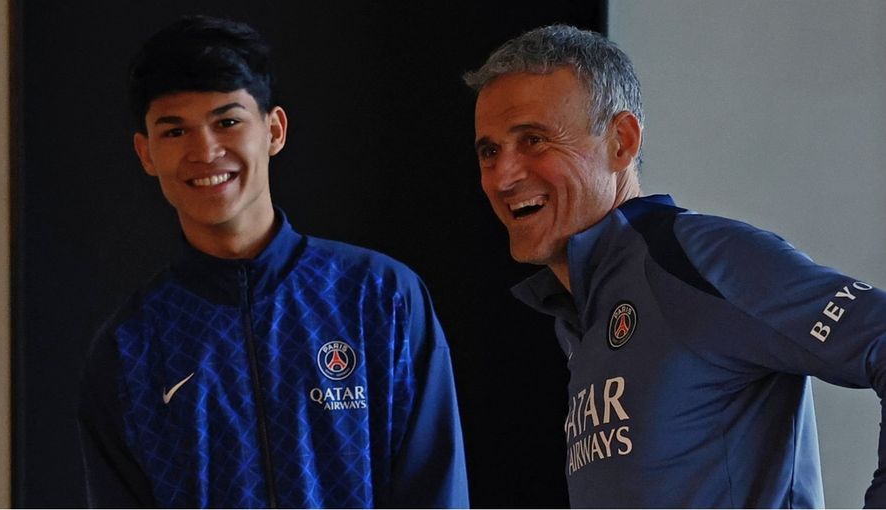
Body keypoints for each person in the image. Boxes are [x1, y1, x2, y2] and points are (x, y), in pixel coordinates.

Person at [464, 24, 886, 508]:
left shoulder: (693, 256)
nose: (504, 176)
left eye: (534, 140)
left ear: (621, 142)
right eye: (490, 151)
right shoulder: (580, 310)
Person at [78, 15, 468, 508]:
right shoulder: (129, 349)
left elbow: (436, 490)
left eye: (227, 121)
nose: (205, 151)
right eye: (175, 131)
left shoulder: (380, 296)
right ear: (146, 153)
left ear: (274, 129)